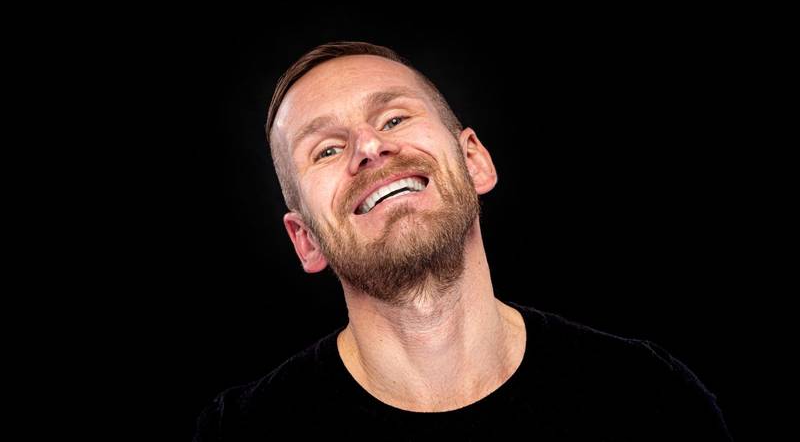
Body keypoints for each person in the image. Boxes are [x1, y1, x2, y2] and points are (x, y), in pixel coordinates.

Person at [193, 41, 732, 440]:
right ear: (305, 239)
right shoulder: (240, 433)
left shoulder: (648, 397)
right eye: (327, 150)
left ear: (474, 161)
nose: (369, 147)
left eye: (394, 118)